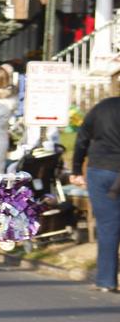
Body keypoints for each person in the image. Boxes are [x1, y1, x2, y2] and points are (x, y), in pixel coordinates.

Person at [70, 95, 120, 293]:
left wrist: (75, 169)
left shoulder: (101, 108)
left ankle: (106, 279)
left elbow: (82, 138)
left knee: (108, 225)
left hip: (100, 168)